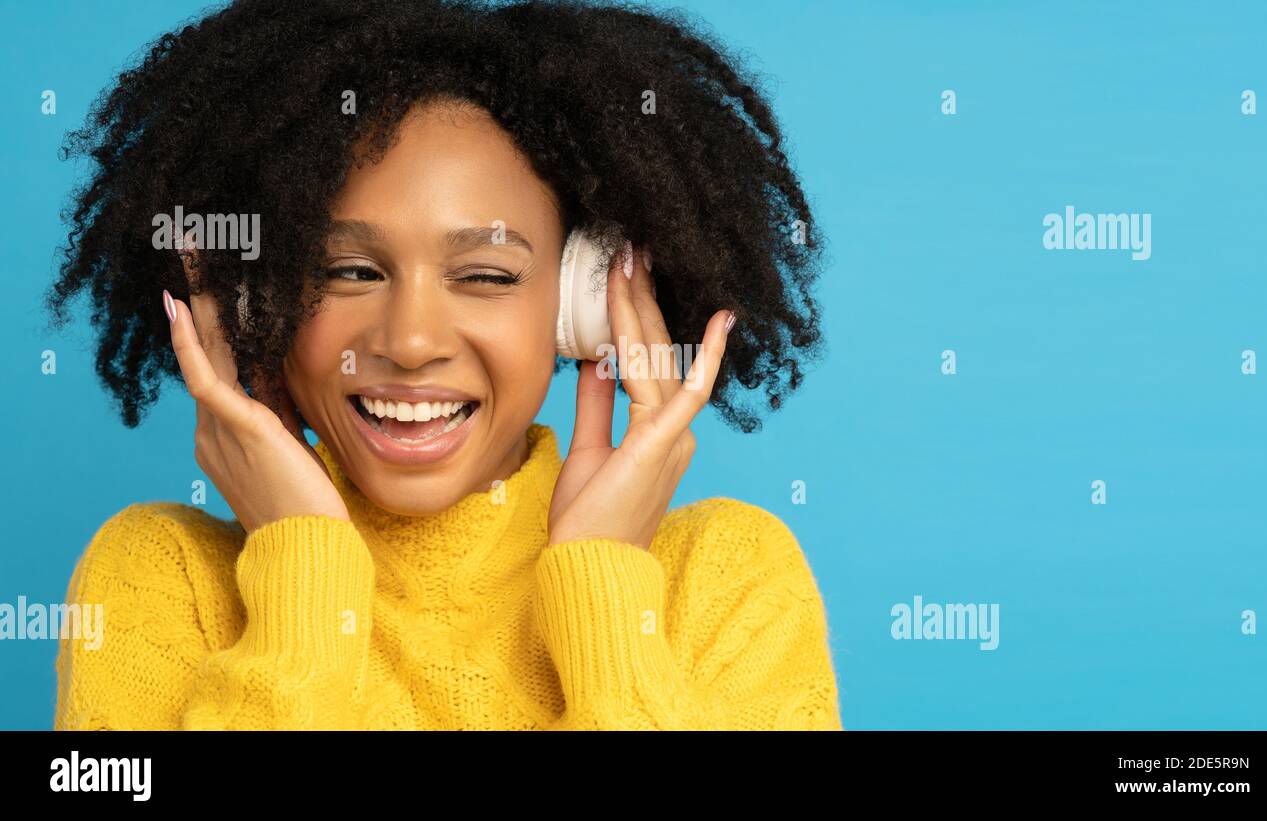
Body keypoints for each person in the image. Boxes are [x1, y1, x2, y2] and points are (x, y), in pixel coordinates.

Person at [47, 0, 838, 729]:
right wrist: (301, 581)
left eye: (486, 275)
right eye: (348, 271)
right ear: (259, 300)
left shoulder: (725, 580)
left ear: (583, 305)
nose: (413, 341)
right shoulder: (160, 579)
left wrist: (610, 607)